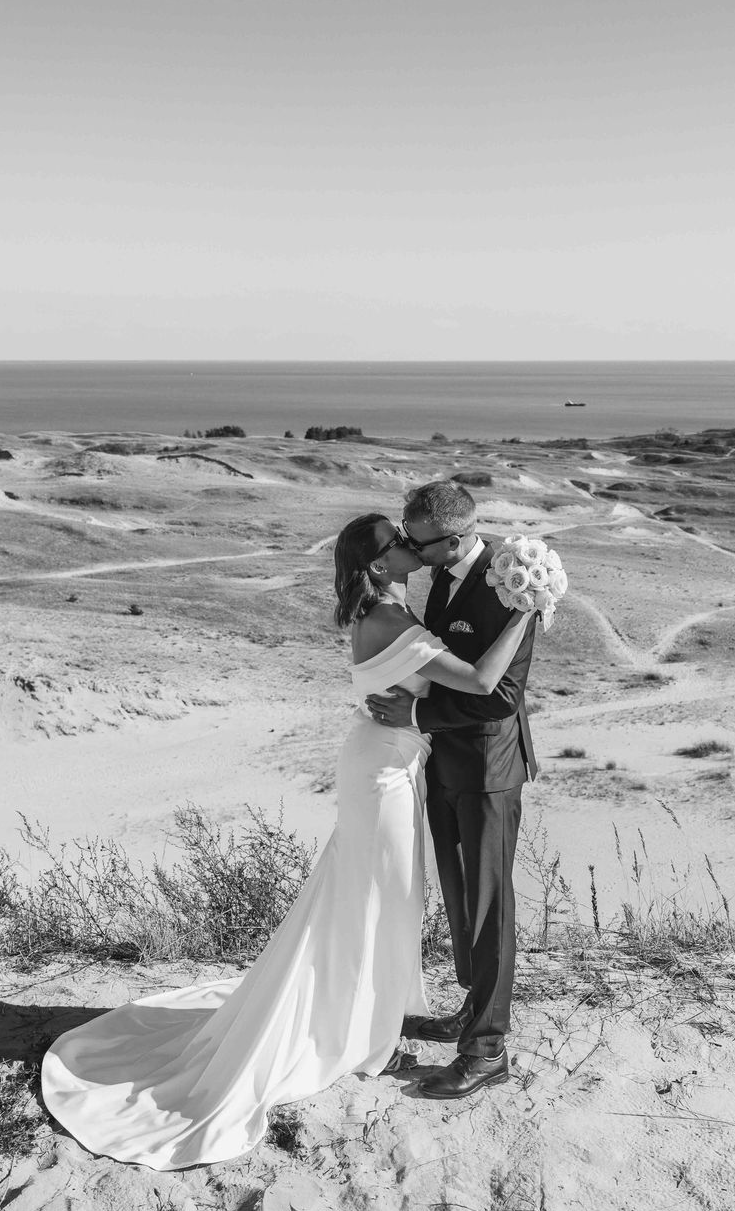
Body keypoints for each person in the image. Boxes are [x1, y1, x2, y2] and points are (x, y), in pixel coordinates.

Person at [40, 512, 534, 1170]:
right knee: (378, 900)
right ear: (379, 565)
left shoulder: (390, 609)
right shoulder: (391, 620)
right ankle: (352, 1030)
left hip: (385, 763)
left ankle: (363, 1019)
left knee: (367, 896)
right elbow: (477, 683)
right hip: (383, 772)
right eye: (398, 543)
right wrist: (527, 612)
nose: (412, 548)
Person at [365, 480, 538, 1100]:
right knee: (461, 895)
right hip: (445, 764)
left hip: (489, 771)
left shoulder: (511, 583)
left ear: (458, 536)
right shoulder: (438, 574)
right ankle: (472, 1009)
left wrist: (414, 719)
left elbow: (499, 696)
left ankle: (487, 1047)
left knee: (490, 905)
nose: (411, 547)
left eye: (420, 539)